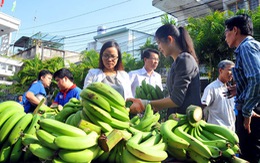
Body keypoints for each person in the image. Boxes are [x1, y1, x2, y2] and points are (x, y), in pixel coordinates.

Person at [128, 24, 201, 117]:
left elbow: (176, 99)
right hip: (176, 120)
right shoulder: (176, 63)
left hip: (187, 122)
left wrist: (145, 103)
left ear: (170, 39)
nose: (158, 47)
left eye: (159, 42)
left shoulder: (185, 60)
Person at [225, 14, 260, 163]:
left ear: (235, 30)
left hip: (252, 112)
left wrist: (246, 112)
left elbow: (257, 78)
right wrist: (239, 89)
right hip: (253, 108)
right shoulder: (254, 46)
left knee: (249, 154)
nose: (225, 37)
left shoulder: (246, 47)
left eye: (226, 32)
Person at [201, 60, 236, 131]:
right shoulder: (211, 88)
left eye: (234, 70)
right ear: (220, 71)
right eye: (230, 70)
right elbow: (202, 105)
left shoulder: (232, 89)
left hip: (231, 131)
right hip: (217, 131)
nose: (232, 73)